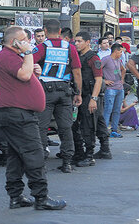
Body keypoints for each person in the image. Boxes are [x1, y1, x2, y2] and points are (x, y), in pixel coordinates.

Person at [0, 26, 66, 210]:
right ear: (14, 42)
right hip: (18, 115)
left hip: (15, 114)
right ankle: (41, 198)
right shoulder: (7, 56)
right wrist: (27, 55)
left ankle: (16, 196)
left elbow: (25, 76)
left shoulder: (11, 57)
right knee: (35, 154)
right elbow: (24, 75)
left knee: (16, 156)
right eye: (24, 39)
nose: (29, 42)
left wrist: (33, 70)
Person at [33, 19, 82, 173]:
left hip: (45, 91)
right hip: (65, 91)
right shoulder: (70, 48)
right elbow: (77, 72)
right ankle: (67, 162)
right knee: (66, 127)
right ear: (60, 31)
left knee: (41, 127)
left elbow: (28, 64)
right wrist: (78, 93)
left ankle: (41, 162)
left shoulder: (41, 47)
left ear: (45, 31)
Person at [73, 31, 112, 166]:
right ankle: (103, 150)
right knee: (97, 122)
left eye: (79, 41)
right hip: (81, 95)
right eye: (75, 41)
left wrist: (93, 99)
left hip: (90, 95)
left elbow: (98, 80)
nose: (76, 43)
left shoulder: (93, 58)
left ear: (88, 42)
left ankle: (89, 155)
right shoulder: (78, 56)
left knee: (88, 126)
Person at [101, 43, 126, 138]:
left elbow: (123, 69)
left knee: (116, 110)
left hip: (119, 88)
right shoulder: (106, 59)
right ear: (115, 51)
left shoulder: (118, 60)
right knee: (108, 109)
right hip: (110, 89)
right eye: (120, 52)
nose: (121, 54)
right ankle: (104, 130)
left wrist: (122, 80)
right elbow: (96, 69)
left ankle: (114, 130)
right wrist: (104, 81)